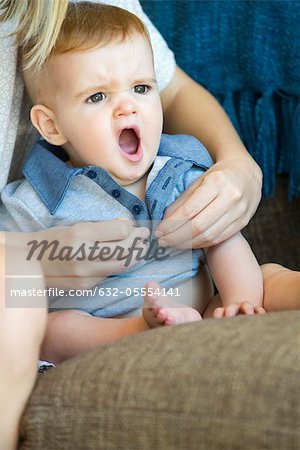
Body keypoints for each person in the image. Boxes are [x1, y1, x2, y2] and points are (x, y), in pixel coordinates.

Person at [0, 0, 287, 448]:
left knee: (271, 277)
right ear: (51, 126)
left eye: (140, 88)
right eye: (98, 97)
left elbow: (221, 241)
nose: (127, 109)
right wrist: (48, 259)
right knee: (56, 329)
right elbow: (12, 276)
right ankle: (142, 328)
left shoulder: (176, 170)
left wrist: (239, 301)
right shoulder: (39, 198)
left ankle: (230, 312)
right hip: (103, 321)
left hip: (204, 302)